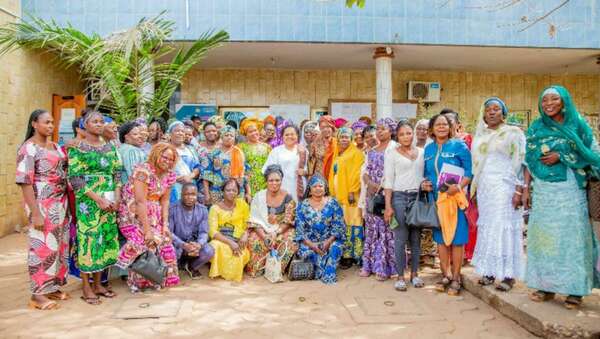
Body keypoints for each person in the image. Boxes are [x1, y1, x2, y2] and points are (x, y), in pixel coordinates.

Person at [523, 85, 600, 309]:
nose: (548, 104)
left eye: (554, 99)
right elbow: (528, 159)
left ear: (564, 101)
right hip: (545, 190)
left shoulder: (577, 124)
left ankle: (575, 290)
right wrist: (526, 188)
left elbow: (593, 154)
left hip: (570, 189)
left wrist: (563, 155)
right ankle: (545, 285)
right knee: (545, 238)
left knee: (571, 238)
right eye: (544, 100)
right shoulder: (536, 126)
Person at [16, 109, 70, 310]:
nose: (50, 126)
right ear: (34, 124)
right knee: (42, 248)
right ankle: (37, 295)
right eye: (46, 122)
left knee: (59, 246)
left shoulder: (55, 146)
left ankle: (52, 286)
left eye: (52, 122)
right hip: (42, 203)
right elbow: (24, 182)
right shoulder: (28, 149)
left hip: (60, 203)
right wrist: (36, 212)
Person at [470, 97, 526, 292]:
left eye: (496, 109)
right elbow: (476, 165)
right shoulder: (480, 135)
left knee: (503, 226)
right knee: (488, 228)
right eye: (488, 110)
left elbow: (520, 161)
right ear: (483, 114)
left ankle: (509, 275)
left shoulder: (513, 133)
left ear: (504, 112)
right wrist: (475, 189)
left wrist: (519, 189)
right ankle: (489, 271)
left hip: (505, 186)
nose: (491, 112)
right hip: (485, 188)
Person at [68, 110, 123, 305]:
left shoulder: (110, 147)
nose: (99, 124)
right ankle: (86, 286)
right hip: (88, 201)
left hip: (109, 199)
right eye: (95, 121)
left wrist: (116, 198)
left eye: (102, 121)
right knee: (89, 241)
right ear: (85, 125)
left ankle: (99, 284)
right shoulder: (78, 148)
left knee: (105, 240)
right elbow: (75, 178)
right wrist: (98, 199)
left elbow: (117, 173)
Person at [117, 142, 180, 292]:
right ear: (156, 155)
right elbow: (140, 201)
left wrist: (165, 225)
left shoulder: (170, 175)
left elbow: (164, 200)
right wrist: (147, 231)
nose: (168, 161)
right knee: (145, 243)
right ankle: (137, 283)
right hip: (133, 214)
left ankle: (155, 280)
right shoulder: (143, 170)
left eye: (171, 159)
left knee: (165, 242)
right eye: (165, 157)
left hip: (155, 214)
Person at [422, 113, 472, 296]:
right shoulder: (428, 149)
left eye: (445, 124)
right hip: (436, 200)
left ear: (450, 128)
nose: (441, 127)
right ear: (432, 129)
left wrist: (459, 186)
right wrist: (424, 184)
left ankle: (457, 277)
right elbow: (425, 174)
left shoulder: (459, 146)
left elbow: (469, 172)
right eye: (438, 124)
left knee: (457, 239)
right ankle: (445, 275)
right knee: (441, 239)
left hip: (455, 200)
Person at [384, 120, 426, 291]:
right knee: (400, 239)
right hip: (399, 198)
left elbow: (426, 174)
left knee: (416, 239)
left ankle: (415, 274)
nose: (406, 136)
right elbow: (388, 181)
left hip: (418, 198)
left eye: (409, 133)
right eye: (402, 134)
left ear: (413, 134)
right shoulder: (391, 154)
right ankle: (400, 276)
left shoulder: (422, 152)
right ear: (397, 137)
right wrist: (388, 206)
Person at [360, 118, 397, 281]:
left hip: (387, 195)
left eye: (384, 129)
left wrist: (381, 187)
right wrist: (369, 183)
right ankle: (368, 265)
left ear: (391, 131)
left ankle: (384, 268)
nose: (380, 131)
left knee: (386, 231)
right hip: (372, 195)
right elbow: (365, 172)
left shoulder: (395, 149)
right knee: (371, 230)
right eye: (379, 129)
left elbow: (397, 172)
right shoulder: (371, 150)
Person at [246, 165, 298, 277]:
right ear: (266, 181)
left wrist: (276, 233)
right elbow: (254, 221)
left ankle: (277, 269)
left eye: (277, 180)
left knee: (290, 238)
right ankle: (259, 268)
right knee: (254, 239)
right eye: (271, 180)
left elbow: (288, 221)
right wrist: (264, 236)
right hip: (262, 230)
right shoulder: (259, 196)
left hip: (280, 230)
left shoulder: (288, 197)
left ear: (281, 181)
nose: (274, 183)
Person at [295, 175, 346, 284]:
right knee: (307, 252)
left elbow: (339, 225)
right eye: (315, 186)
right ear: (309, 189)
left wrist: (328, 241)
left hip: (330, 240)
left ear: (325, 188)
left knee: (335, 248)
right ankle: (321, 269)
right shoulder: (302, 205)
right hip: (310, 242)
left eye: (320, 186)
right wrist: (313, 245)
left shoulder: (333, 203)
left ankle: (328, 273)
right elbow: (300, 230)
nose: (318, 189)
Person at [329, 127, 365, 269]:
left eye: (346, 137)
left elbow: (357, 174)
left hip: (351, 196)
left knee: (354, 224)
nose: (343, 139)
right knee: (343, 224)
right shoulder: (338, 153)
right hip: (339, 196)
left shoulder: (356, 153)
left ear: (351, 139)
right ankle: (345, 255)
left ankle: (354, 256)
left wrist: (352, 191)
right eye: (341, 137)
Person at [207, 179, 251, 282]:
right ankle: (219, 271)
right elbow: (212, 232)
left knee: (240, 254)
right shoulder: (215, 208)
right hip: (221, 240)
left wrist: (245, 235)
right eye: (228, 190)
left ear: (238, 192)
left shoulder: (243, 205)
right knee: (215, 246)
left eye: (234, 190)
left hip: (239, 239)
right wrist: (230, 242)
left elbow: (248, 223)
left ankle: (232, 275)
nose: (231, 193)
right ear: (223, 191)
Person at [169, 183, 215, 278]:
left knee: (209, 251)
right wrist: (183, 245)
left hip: (193, 246)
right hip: (177, 245)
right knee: (169, 250)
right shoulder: (172, 209)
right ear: (181, 194)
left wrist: (199, 244)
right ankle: (178, 264)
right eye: (186, 194)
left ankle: (191, 267)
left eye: (193, 194)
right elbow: (169, 233)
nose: (190, 197)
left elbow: (204, 232)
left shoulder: (203, 210)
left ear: (197, 195)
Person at [203, 126, 249, 204]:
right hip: (217, 192)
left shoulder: (240, 153)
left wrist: (248, 193)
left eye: (231, 136)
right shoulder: (214, 153)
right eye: (226, 135)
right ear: (221, 137)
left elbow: (246, 175)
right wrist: (207, 194)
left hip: (236, 192)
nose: (229, 138)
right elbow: (206, 175)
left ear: (235, 138)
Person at [263, 125, 307, 201]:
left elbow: (310, 169)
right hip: (281, 186)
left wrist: (305, 172)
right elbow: (267, 170)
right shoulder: (276, 151)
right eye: (286, 134)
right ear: (282, 136)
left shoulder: (303, 150)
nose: (289, 136)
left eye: (292, 134)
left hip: (299, 187)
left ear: (297, 136)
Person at [169, 121, 200, 203]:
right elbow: (161, 170)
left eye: (182, 131)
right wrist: (177, 178)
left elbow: (197, 167)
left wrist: (190, 176)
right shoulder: (165, 149)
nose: (180, 133)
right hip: (173, 187)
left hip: (190, 185)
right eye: (177, 131)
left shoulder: (191, 149)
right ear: (170, 134)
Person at [239, 118, 271, 197]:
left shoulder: (267, 147)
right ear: (246, 134)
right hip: (247, 184)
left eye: (255, 130)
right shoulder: (240, 147)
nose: (254, 133)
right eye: (250, 132)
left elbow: (270, 166)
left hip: (264, 182)